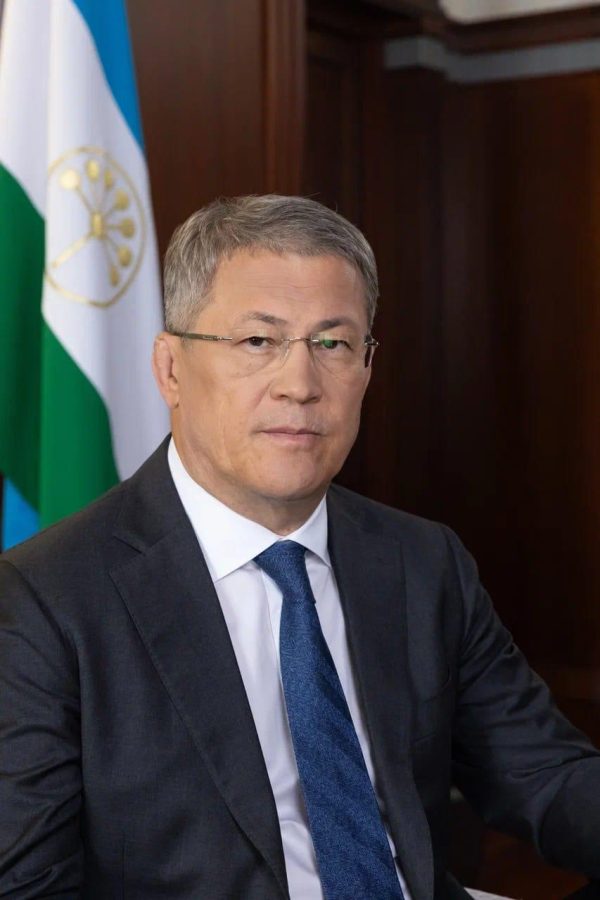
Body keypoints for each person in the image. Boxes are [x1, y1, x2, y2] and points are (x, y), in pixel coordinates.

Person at [0, 195, 599, 900]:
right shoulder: (48, 597)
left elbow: (545, 776)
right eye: (259, 341)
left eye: (332, 344)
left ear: (366, 367)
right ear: (170, 369)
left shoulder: (420, 561)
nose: (300, 385)